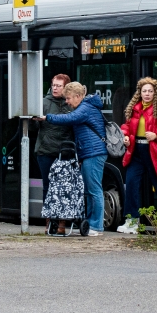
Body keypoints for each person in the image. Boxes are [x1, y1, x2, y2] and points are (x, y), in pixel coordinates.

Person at [118, 77, 157, 234]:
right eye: (144, 91)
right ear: (140, 92)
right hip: (136, 151)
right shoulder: (134, 108)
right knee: (131, 183)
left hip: (155, 152)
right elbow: (126, 125)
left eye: (150, 91)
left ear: (155, 93)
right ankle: (132, 221)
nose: (147, 94)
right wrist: (125, 135)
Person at [44, 82, 107, 236]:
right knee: (89, 190)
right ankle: (92, 223)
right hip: (89, 153)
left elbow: (70, 118)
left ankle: (96, 226)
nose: (67, 101)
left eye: (69, 98)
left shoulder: (85, 108)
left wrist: (47, 117)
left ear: (78, 96)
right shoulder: (85, 106)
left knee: (94, 190)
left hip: (93, 153)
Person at [34, 74, 74, 202]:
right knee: (48, 186)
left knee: (64, 187)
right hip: (46, 151)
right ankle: (49, 219)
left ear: (66, 87)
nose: (55, 88)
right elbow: (33, 128)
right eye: (53, 85)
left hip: (65, 152)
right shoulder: (44, 103)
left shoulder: (71, 103)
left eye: (59, 86)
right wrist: (31, 119)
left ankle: (62, 220)